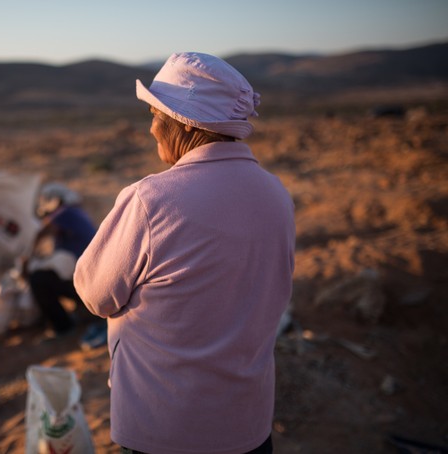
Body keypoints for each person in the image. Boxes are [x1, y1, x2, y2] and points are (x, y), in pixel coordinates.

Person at [74, 53, 296, 454]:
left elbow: (95, 293)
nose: (151, 128)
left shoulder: (151, 199)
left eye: (155, 114)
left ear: (182, 122)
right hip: (248, 426)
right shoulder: (277, 195)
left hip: (165, 430)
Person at [23, 182, 106, 349]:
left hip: (91, 286)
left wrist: (27, 259)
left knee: (38, 279)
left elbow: (41, 233)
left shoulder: (64, 213)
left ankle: (62, 326)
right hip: (98, 285)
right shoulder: (76, 214)